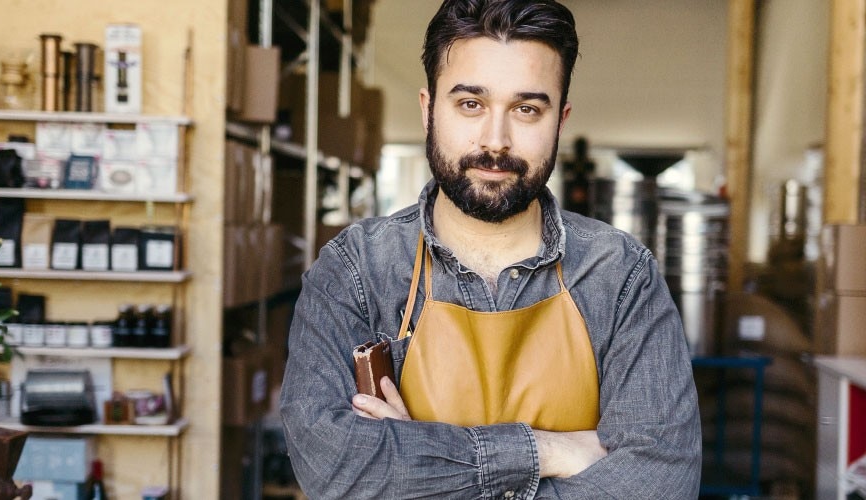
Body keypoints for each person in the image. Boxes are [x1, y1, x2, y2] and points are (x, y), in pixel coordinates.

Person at [278, 0, 701, 498]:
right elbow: (337, 471)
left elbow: (662, 482)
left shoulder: (621, 275)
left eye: (526, 109)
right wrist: (547, 452)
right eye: (471, 104)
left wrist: (413, 458)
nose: (495, 141)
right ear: (428, 108)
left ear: (560, 119)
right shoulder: (357, 271)